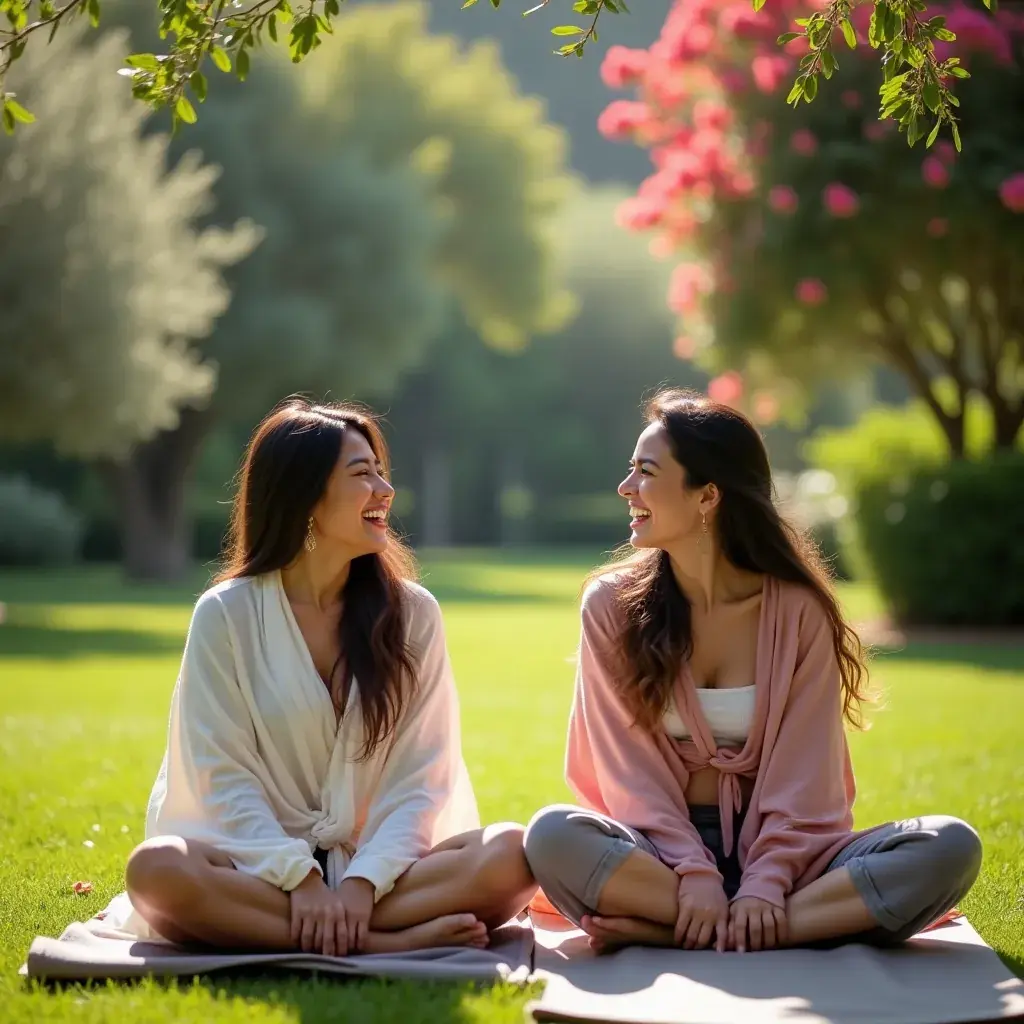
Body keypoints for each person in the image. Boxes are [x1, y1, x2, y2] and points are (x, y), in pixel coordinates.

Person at [524, 388, 981, 954]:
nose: (626, 489)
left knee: (950, 845)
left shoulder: (798, 612)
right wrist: (694, 873)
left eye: (645, 472)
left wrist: (765, 886)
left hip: (788, 856)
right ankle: (778, 926)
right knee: (551, 835)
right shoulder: (610, 607)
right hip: (656, 856)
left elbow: (804, 772)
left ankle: (719, 928)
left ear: (707, 495)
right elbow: (628, 773)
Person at [102, 398, 536, 955]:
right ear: (304, 495)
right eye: (363, 474)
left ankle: (321, 931)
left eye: (381, 471)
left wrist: (360, 884)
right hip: (256, 870)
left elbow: (421, 779)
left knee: (513, 854)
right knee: (157, 871)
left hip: (383, 873)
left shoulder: (413, 614)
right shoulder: (225, 615)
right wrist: (298, 879)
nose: (385, 489)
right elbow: (220, 775)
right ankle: (382, 943)